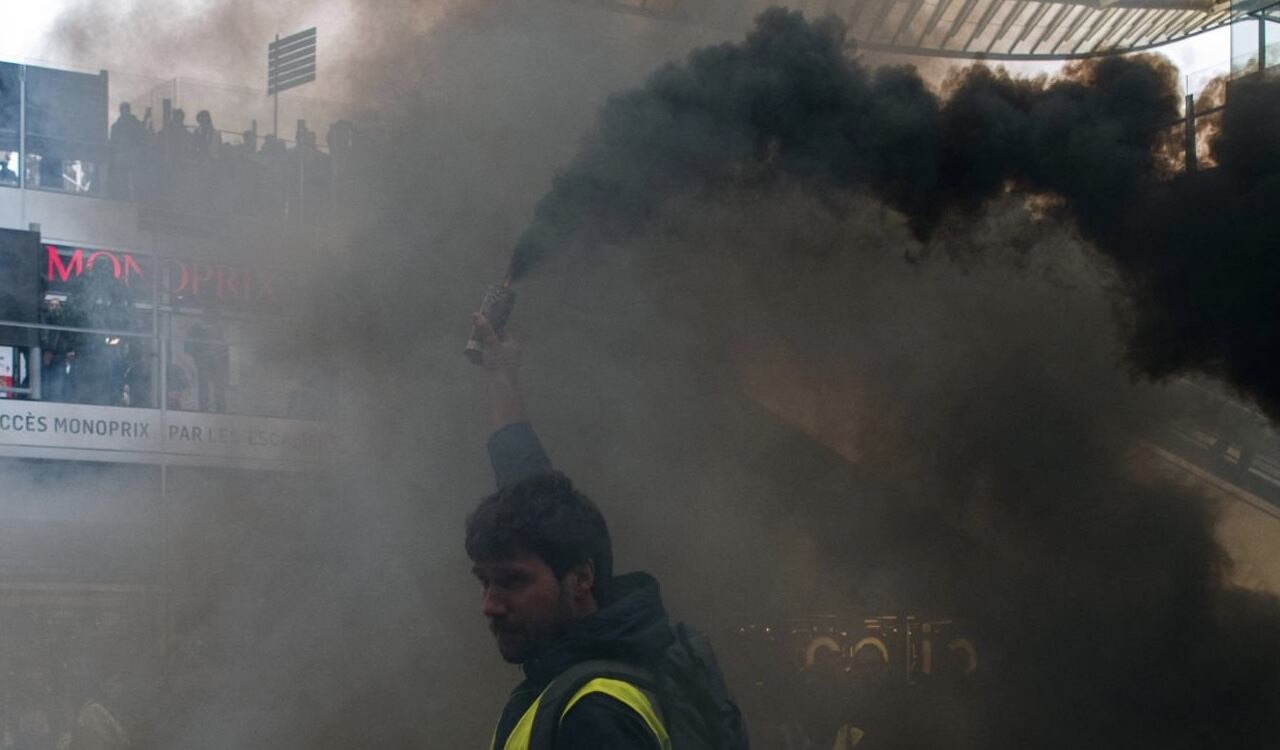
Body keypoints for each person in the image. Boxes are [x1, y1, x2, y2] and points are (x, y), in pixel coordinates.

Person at [467, 315, 744, 750]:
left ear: (581, 579)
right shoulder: (619, 647)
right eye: (484, 581)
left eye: (513, 581)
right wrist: (501, 376)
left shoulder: (595, 718)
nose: (491, 605)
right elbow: (530, 494)